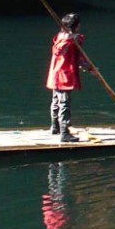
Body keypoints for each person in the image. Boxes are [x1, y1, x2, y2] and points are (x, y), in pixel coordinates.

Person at [46, 13, 86, 142]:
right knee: (63, 103)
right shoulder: (64, 39)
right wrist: (69, 39)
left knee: (57, 101)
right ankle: (63, 132)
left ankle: (55, 127)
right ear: (76, 26)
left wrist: (88, 67)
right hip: (62, 76)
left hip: (59, 75)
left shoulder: (69, 38)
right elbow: (58, 51)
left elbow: (78, 57)